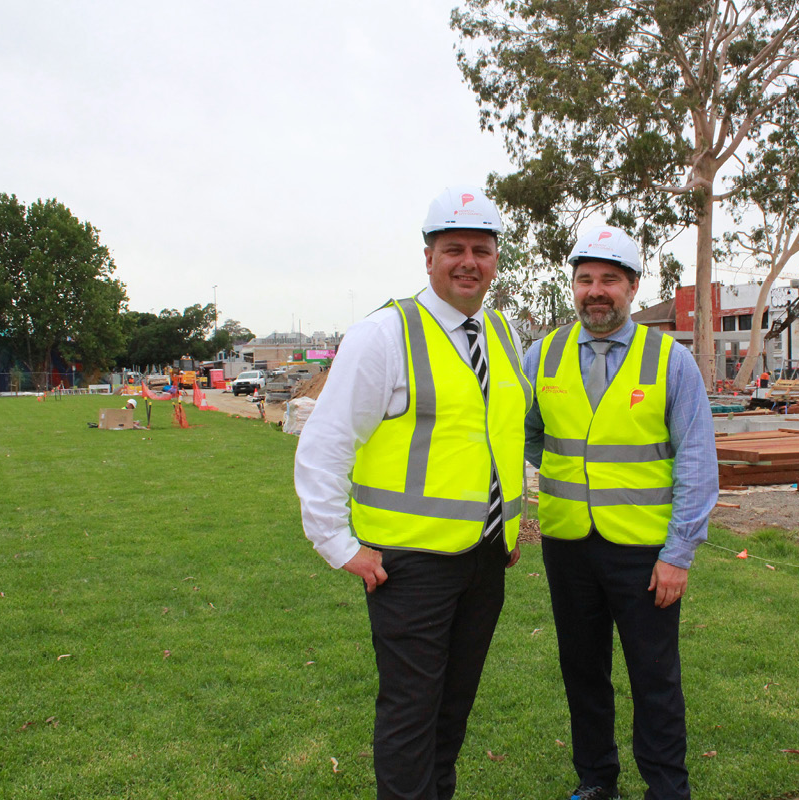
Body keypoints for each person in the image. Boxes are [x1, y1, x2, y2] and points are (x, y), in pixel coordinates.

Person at [294, 185, 531, 800]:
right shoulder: (384, 335)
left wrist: (505, 528)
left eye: (481, 249)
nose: (468, 261)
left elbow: (493, 441)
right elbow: (325, 443)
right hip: (408, 567)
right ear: (428, 257)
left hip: (484, 561)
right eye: (453, 248)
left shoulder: (502, 335)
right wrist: (337, 544)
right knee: (410, 716)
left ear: (496, 259)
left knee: (451, 717)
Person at [521, 225, 718, 800]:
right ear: (574, 288)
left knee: (654, 679)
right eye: (585, 280)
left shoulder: (671, 362)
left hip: (645, 551)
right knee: (583, 674)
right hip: (567, 545)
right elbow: (530, 436)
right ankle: (596, 781)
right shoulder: (544, 354)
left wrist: (679, 553)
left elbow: (698, 464)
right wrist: (570, 469)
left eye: (609, 279)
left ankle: (666, 789)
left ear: (632, 287)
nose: (595, 291)